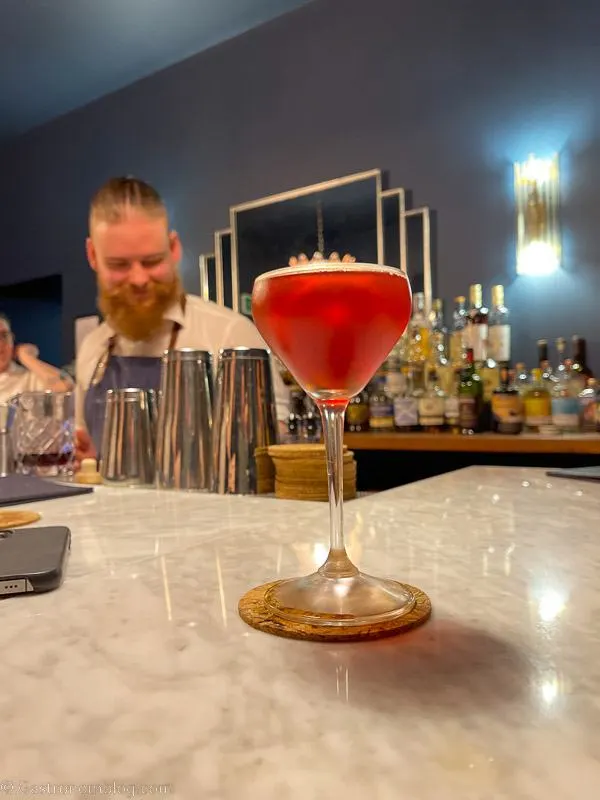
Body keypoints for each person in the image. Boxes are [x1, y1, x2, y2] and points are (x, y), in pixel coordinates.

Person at [76, 176, 289, 462]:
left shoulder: (230, 335)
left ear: (174, 247)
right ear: (92, 255)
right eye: (119, 265)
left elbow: (275, 451)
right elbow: (87, 451)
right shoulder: (93, 347)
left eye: (152, 261)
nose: (139, 279)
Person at [0, 315, 73, 402]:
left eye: (4, 336)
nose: (1, 343)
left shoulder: (28, 379)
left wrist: (27, 358)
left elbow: (66, 389)